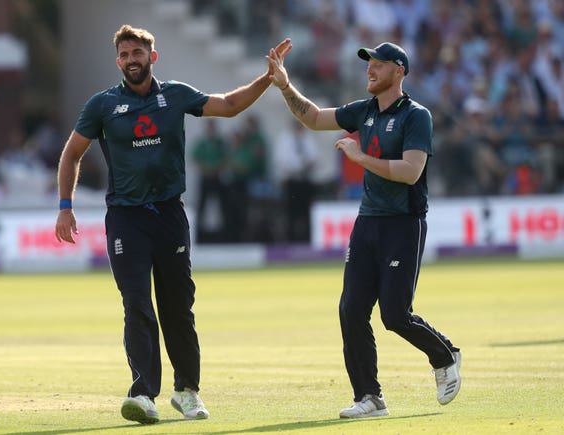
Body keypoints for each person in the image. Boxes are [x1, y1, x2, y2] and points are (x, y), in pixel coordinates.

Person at [54, 25, 291, 425]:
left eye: (138, 53)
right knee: (137, 303)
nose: (132, 60)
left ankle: (186, 391)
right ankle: (143, 393)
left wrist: (268, 78)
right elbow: (71, 154)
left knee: (178, 308)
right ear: (118, 62)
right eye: (125, 55)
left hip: (169, 215)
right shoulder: (103, 105)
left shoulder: (176, 95)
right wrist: (65, 206)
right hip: (126, 218)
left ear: (153, 56)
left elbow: (230, 105)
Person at [266, 41, 461, 418]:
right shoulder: (364, 110)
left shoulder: (415, 115)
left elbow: (410, 172)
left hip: (403, 223)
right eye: (368, 63)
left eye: (379, 63)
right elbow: (313, 118)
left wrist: (360, 158)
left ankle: (445, 354)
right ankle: (369, 397)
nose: (370, 69)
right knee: (351, 309)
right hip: (367, 223)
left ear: (399, 71)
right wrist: (285, 86)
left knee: (394, 315)